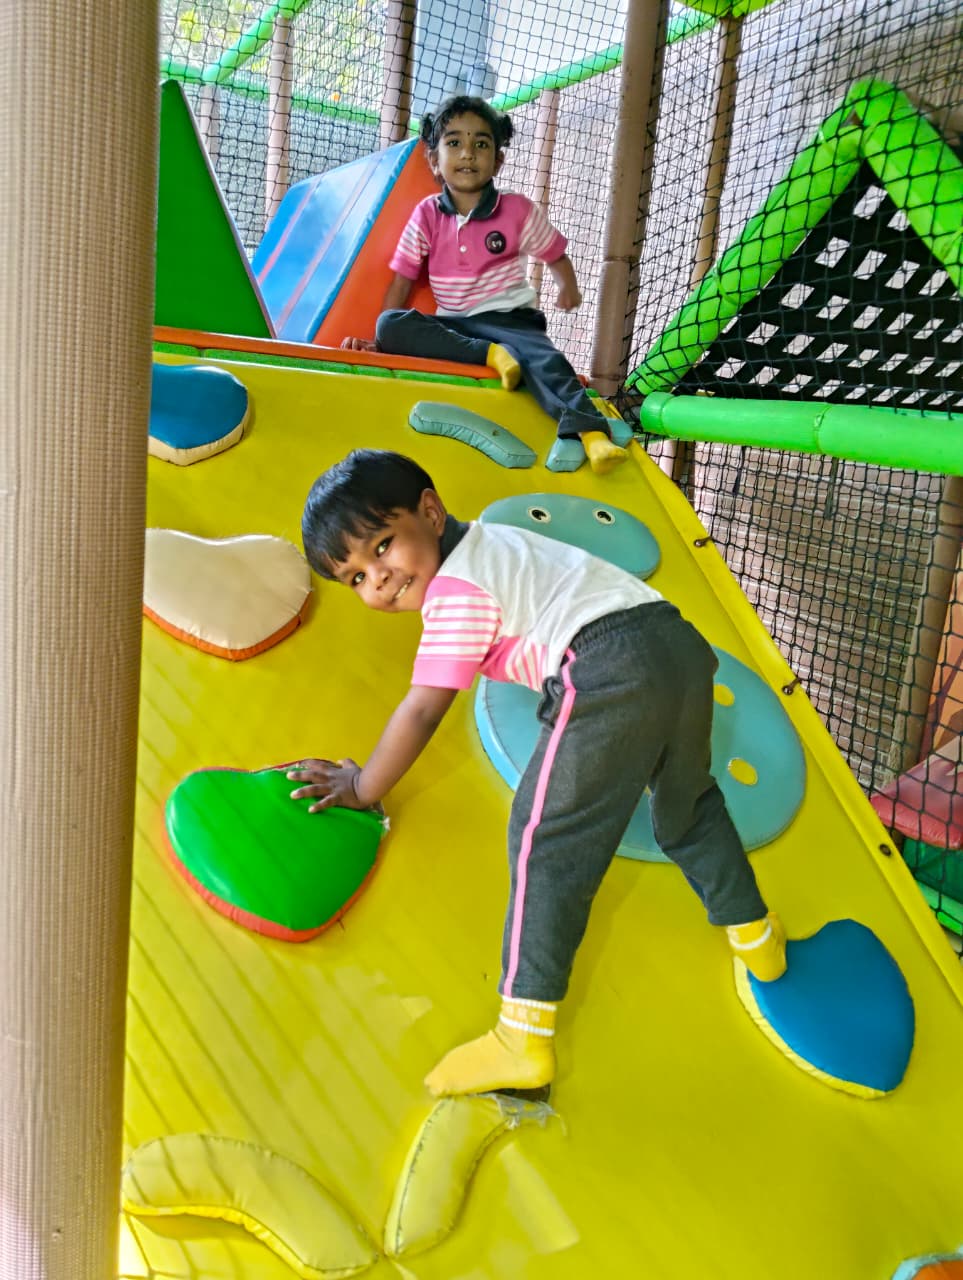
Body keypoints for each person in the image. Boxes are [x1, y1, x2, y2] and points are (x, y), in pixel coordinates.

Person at [290, 449, 787, 1098]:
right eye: (355, 577)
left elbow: (422, 709)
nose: (378, 580)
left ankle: (521, 1036)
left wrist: (362, 787)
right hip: (676, 645)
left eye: (382, 546)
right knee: (686, 805)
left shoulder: (456, 593)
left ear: (431, 513)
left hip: (607, 665)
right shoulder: (494, 542)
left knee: (545, 837)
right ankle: (756, 934)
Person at [340, 95, 628, 476]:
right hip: (455, 326)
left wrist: (567, 286)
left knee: (548, 362)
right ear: (434, 161)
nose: (468, 154)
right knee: (390, 324)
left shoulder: (515, 209)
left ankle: (593, 435)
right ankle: (491, 354)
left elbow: (554, 253)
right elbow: (402, 279)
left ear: (498, 160)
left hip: (512, 320)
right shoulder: (427, 214)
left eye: (481, 144)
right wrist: (381, 340)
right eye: (454, 143)